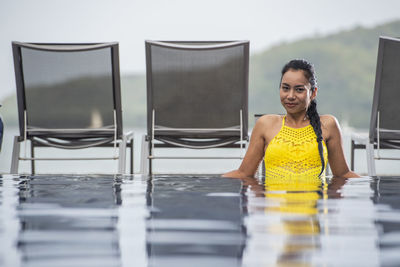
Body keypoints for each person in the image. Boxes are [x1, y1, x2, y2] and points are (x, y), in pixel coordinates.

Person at [224, 59, 359, 180]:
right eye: (285, 88)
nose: (290, 96)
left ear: (313, 93)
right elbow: (244, 174)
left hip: (314, 206)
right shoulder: (265, 124)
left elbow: (342, 175)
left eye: (299, 90)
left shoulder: (328, 124)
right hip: (275, 206)